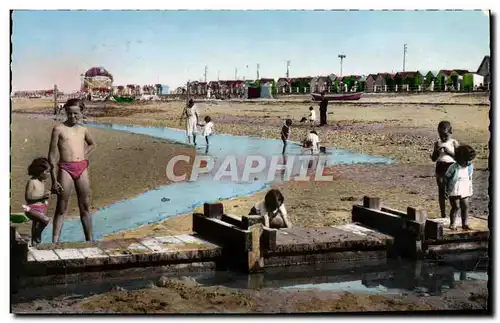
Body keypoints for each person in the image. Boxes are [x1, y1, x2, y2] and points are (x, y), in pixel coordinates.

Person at [48, 98, 96, 243]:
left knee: (85, 206)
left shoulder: (83, 129)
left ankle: (90, 241)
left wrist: (83, 155)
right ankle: (54, 243)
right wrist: (53, 180)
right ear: (65, 112)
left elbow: (93, 144)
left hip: (82, 168)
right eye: (69, 114)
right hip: (65, 169)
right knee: (61, 206)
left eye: (76, 114)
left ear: (82, 112)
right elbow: (51, 155)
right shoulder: (58, 129)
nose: (72, 117)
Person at [430, 121, 460, 218]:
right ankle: (443, 213)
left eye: (445, 135)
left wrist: (449, 152)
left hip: (451, 167)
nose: (443, 138)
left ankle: (453, 211)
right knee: (441, 190)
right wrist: (436, 153)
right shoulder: (437, 143)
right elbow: (434, 159)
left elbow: (459, 158)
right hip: (440, 167)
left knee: (452, 190)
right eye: (440, 135)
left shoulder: (454, 143)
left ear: (451, 132)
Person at [443, 145, 476, 231]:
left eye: (467, 161)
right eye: (463, 160)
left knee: (465, 206)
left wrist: (470, 188)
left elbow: (469, 177)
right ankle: (453, 223)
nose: (465, 162)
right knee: (456, 206)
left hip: (464, 188)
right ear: (458, 159)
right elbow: (446, 177)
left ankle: (464, 224)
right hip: (454, 188)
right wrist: (445, 189)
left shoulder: (469, 166)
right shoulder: (453, 167)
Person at [22, 157, 52, 246]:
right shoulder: (32, 181)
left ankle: (35, 244)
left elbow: (41, 195)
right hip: (31, 209)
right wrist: (42, 197)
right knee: (45, 220)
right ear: (39, 172)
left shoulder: (42, 182)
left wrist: (46, 197)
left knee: (36, 226)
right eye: (47, 172)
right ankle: (37, 235)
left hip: (40, 208)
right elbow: (28, 197)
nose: (49, 174)